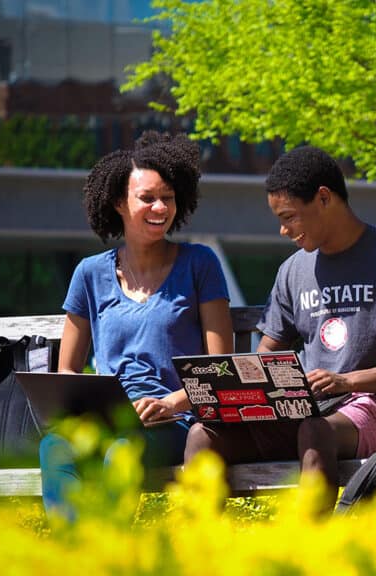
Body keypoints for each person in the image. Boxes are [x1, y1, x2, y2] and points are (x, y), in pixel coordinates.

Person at [184, 146, 376, 509]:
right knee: (202, 436)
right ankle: (202, 556)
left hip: (372, 408)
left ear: (323, 198)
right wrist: (254, 391)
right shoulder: (293, 271)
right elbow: (269, 349)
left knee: (315, 430)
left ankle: (311, 554)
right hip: (306, 410)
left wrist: (349, 381)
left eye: (289, 217)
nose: (284, 230)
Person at [40, 131, 234, 520]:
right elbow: (67, 372)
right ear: (119, 203)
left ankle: (108, 552)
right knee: (54, 446)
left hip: (172, 422)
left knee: (121, 450)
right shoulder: (89, 274)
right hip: (106, 419)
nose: (160, 207)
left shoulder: (200, 264)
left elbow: (221, 369)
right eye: (147, 198)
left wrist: (171, 402)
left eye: (168, 198)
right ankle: (75, 552)